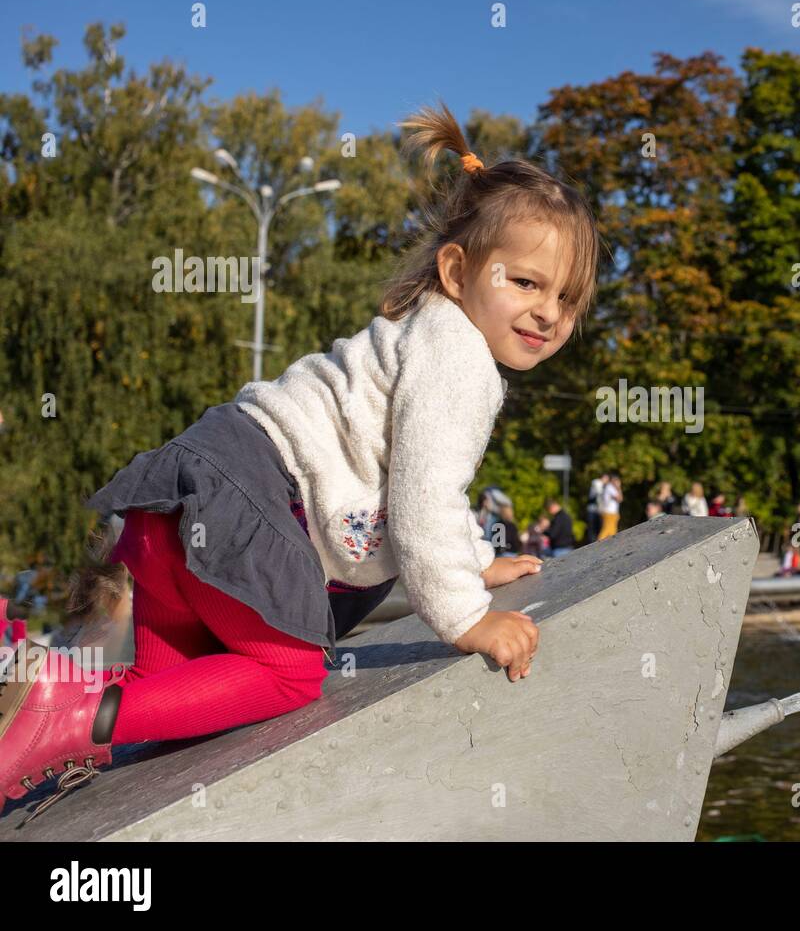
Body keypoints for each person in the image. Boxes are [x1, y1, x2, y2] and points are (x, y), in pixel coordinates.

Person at [0, 103, 601, 815]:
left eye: (568, 298)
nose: (548, 313)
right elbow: (423, 498)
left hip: (175, 515)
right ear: (455, 269)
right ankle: (64, 715)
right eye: (526, 284)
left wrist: (476, 555)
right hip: (243, 505)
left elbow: (415, 475)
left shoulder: (423, 331)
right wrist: (469, 615)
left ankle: (42, 740)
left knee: (167, 721)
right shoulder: (460, 361)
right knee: (289, 678)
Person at [599, 473, 622, 539]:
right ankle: (598, 545)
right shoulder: (610, 487)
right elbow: (619, 498)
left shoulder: (610, 487)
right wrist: (619, 487)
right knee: (607, 530)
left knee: (612, 531)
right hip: (610, 513)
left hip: (611, 513)